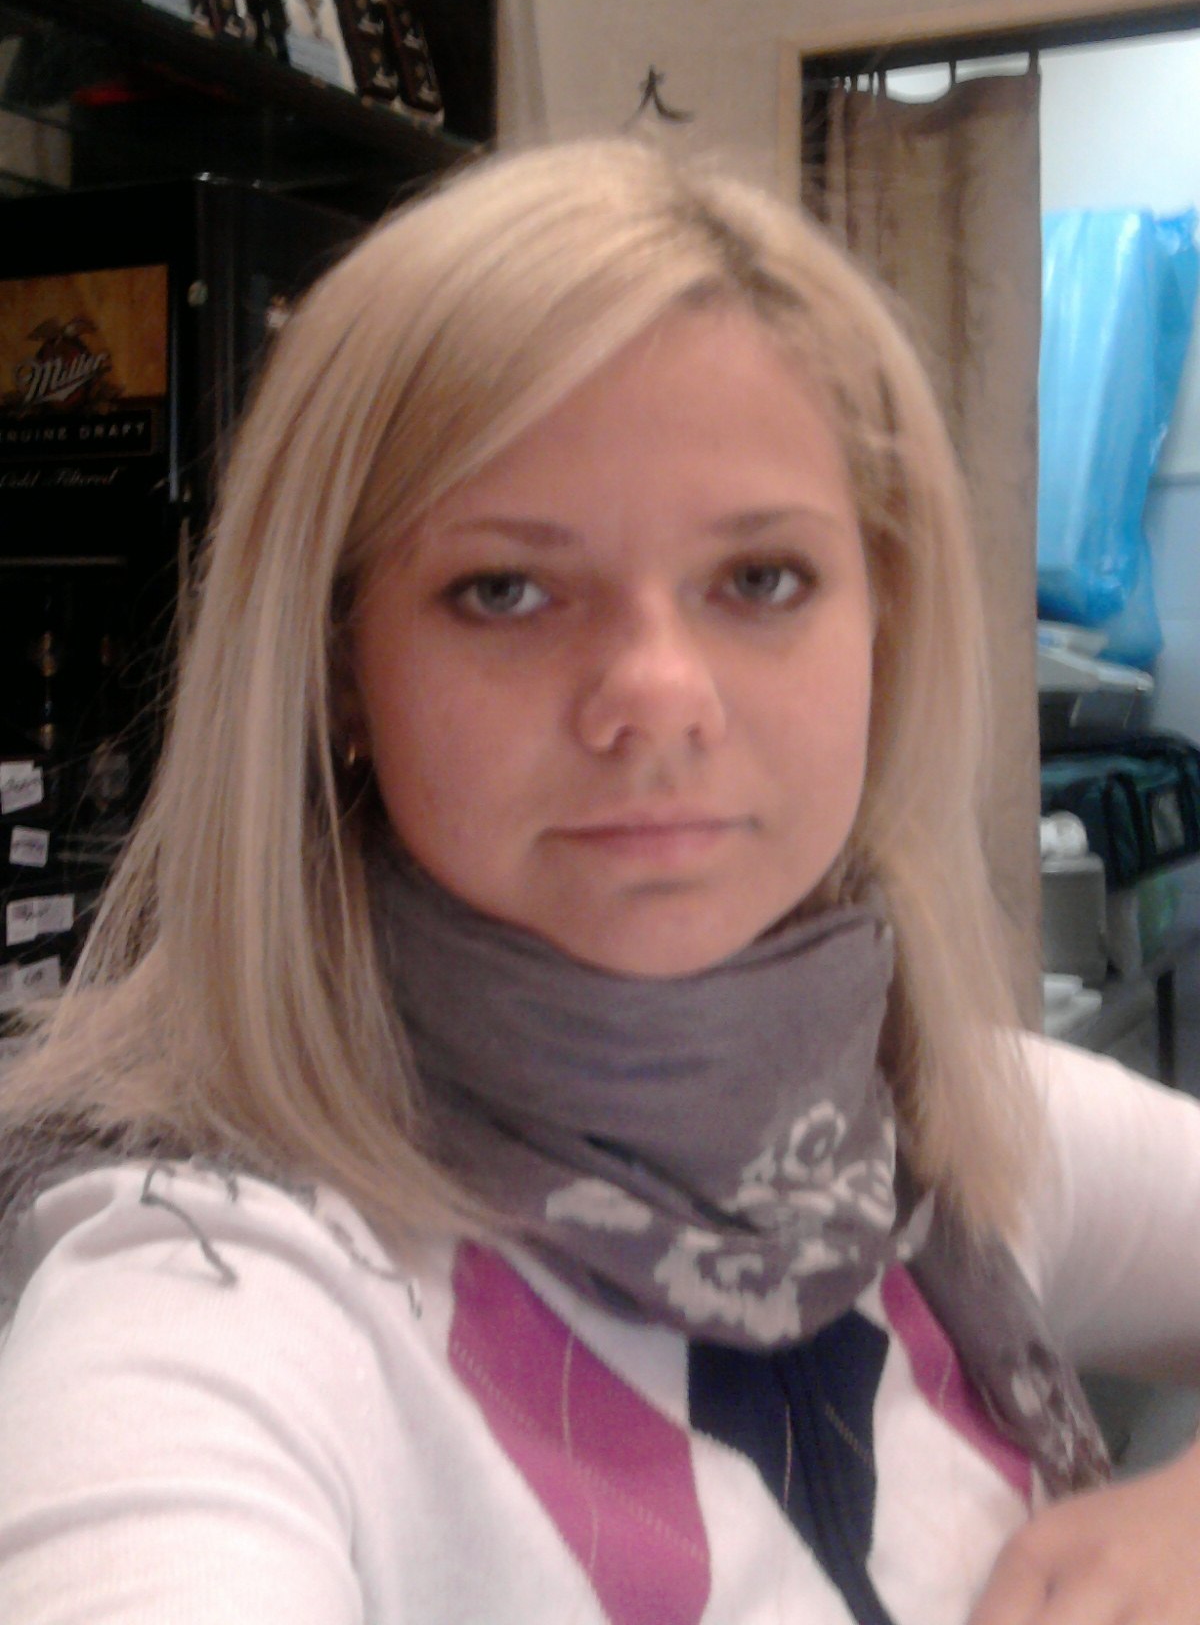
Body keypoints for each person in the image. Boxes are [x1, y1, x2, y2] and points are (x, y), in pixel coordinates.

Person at [0, 137, 1198, 1625]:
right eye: (505, 590)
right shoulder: (208, 1294)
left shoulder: (956, 1128)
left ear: (881, 627)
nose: (657, 694)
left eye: (760, 580)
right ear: (338, 668)